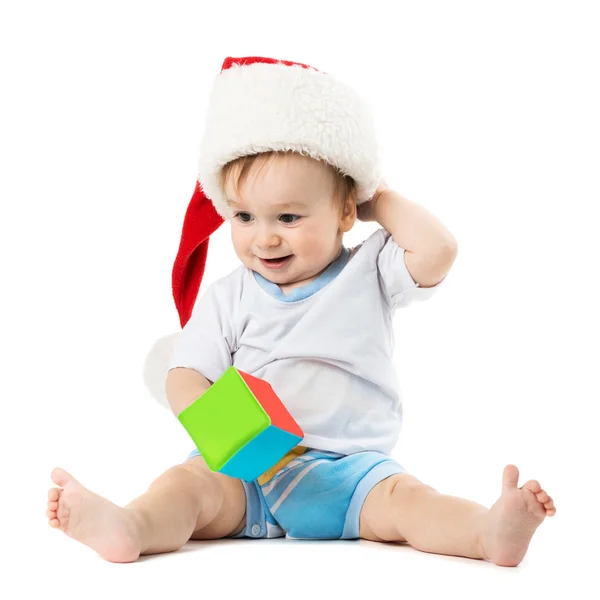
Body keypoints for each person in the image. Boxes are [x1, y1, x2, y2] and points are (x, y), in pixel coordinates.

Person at [46, 56, 555, 566]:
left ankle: (488, 532)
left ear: (345, 213)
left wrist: (377, 198)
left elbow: (439, 250)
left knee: (410, 504)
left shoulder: (371, 269)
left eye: (288, 216)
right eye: (243, 215)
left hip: (350, 472)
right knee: (185, 485)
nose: (264, 237)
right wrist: (228, 431)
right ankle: (131, 525)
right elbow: (184, 376)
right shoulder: (231, 295)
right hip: (246, 471)